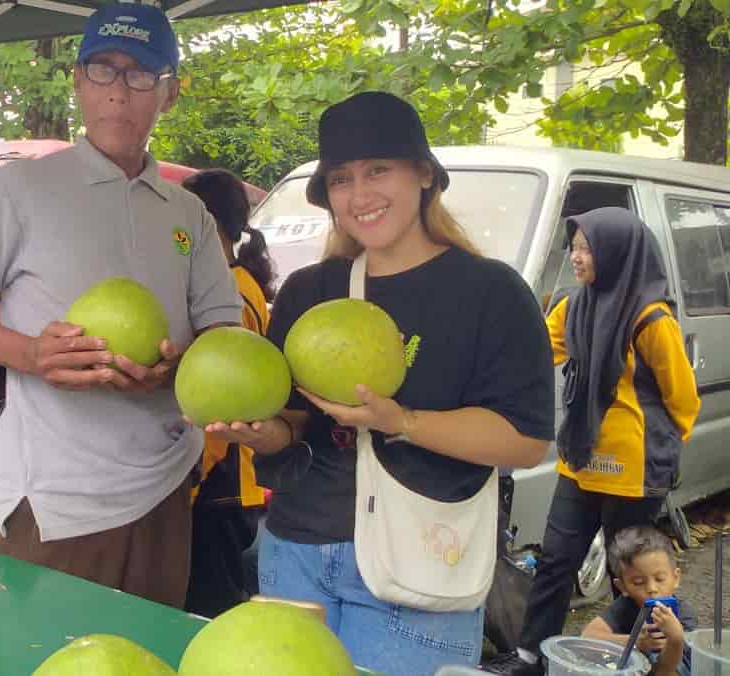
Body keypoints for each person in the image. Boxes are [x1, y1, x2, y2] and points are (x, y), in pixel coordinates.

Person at [204, 91, 555, 673]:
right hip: (296, 554)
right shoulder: (309, 290)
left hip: (418, 566)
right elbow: (293, 423)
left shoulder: (490, 293)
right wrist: (260, 433)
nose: (360, 194)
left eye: (378, 170)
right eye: (341, 179)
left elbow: (523, 439)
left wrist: (402, 422)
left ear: (423, 175)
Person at [0, 3, 242, 609]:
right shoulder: (21, 189)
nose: (120, 91)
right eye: (103, 70)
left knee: (142, 658)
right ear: (77, 81)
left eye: (142, 74)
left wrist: (177, 368)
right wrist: (33, 354)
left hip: (163, 488)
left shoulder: (187, 212)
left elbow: (224, 329)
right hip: (53, 501)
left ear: (168, 94)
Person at [485, 207, 700, 676]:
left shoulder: (650, 318)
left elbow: (682, 398)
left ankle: (639, 657)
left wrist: (661, 450)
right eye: (575, 247)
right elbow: (536, 351)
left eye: (587, 249)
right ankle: (529, 655)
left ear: (616, 254)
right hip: (581, 462)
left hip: (633, 471)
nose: (577, 257)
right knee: (557, 562)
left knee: (632, 576)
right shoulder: (573, 306)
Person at [181, 169, 274, 617]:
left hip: (222, 482)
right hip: (230, 483)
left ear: (207, 223)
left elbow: (222, 399)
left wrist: (194, 475)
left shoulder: (229, 291)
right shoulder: (238, 281)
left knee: (208, 612)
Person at [581, 526, 695, 676]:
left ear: (676, 578)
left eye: (660, 579)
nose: (652, 588)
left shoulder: (683, 613)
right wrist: (636, 642)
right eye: (639, 582)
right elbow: (588, 637)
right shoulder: (626, 605)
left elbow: (665, 671)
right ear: (622, 587)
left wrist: (675, 638)